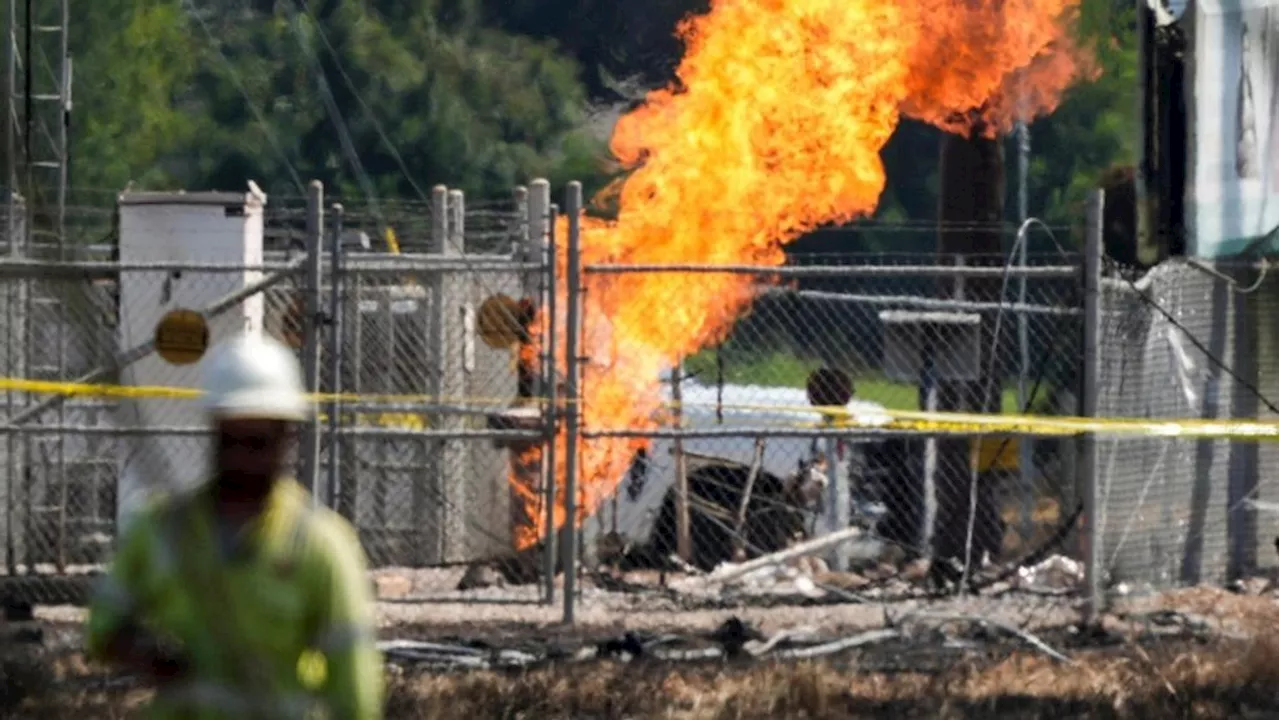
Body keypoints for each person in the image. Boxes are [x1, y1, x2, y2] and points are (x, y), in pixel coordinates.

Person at [85, 333, 384, 719]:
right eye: (231, 441)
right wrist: (147, 653)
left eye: (258, 443)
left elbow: (354, 688)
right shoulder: (162, 529)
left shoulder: (320, 544)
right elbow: (103, 629)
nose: (243, 458)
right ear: (214, 433)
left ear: (286, 437)